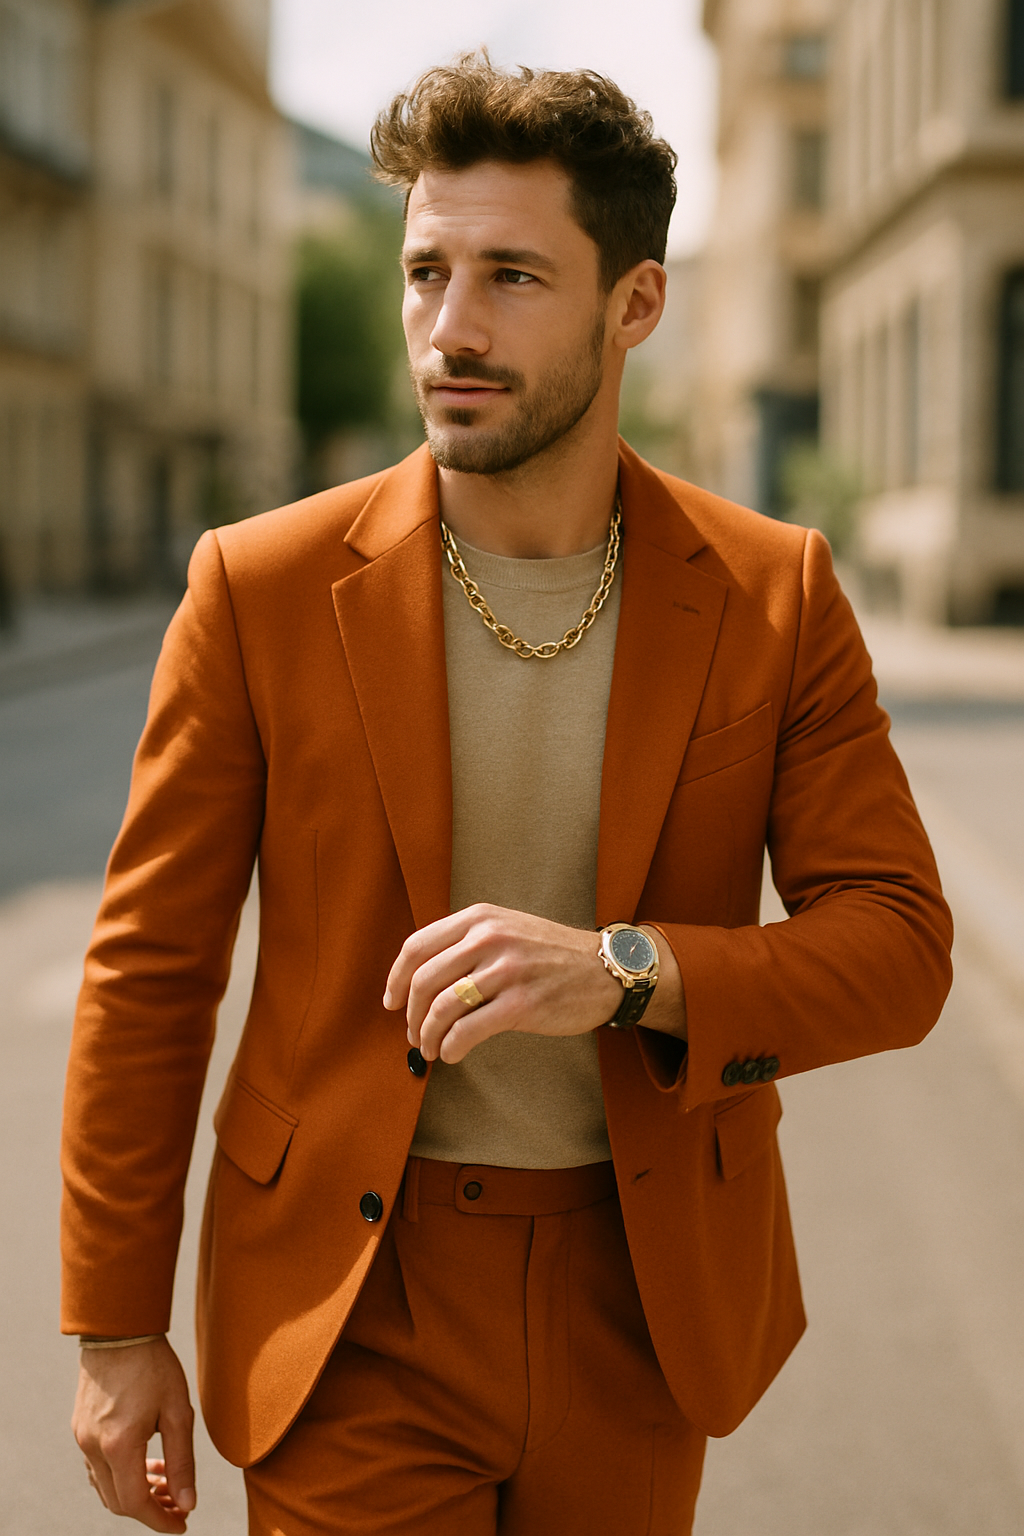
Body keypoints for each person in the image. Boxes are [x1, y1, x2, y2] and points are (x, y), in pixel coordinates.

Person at [61, 55, 953, 1536]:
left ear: (635, 305)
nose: (450, 329)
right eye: (426, 272)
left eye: (514, 277)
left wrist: (627, 972)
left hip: (639, 1294)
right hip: (354, 1305)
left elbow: (903, 947)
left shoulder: (768, 592)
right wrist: (113, 1324)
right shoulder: (261, 587)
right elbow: (152, 972)